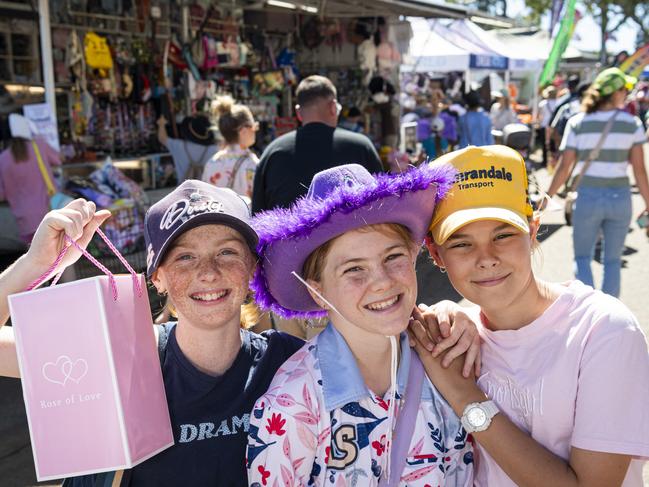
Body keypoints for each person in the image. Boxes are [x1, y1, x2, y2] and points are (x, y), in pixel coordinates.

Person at [0, 182, 476, 486]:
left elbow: (367, 323)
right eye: (184, 257)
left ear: (252, 269)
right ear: (157, 277)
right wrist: (30, 267)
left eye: (228, 252)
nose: (208, 272)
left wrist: (441, 316)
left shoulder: (289, 366)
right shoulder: (118, 360)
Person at [412, 144, 649, 486]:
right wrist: (447, 312)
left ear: (533, 230)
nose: (486, 257)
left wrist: (465, 396)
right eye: (462, 243)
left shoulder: (603, 330)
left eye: (503, 235)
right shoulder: (452, 336)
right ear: (436, 254)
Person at [247, 163, 474, 486]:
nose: (382, 282)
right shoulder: (291, 405)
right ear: (318, 290)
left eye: (393, 257)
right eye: (354, 269)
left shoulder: (447, 358)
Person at [546, 68, 649, 297]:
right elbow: (640, 171)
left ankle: (587, 310)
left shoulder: (577, 123)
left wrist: (547, 197)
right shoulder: (632, 124)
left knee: (582, 257)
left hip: (588, 197)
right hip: (620, 197)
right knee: (612, 260)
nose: (628, 94)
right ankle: (610, 316)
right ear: (616, 93)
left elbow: (565, 167)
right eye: (626, 89)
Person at [251, 75, 383, 214]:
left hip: (288, 236)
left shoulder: (272, 152)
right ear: (333, 107)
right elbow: (382, 203)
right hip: (350, 235)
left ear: (298, 112)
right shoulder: (361, 147)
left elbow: (258, 217)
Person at [0, 113, 61, 244]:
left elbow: (2, 195)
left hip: (24, 221)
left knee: (38, 258)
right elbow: (58, 159)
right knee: (59, 256)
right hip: (48, 212)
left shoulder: (2, 159)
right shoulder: (39, 146)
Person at [201, 95, 259, 199]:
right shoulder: (251, 163)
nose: (255, 130)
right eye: (254, 126)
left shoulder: (212, 162)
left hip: (218, 215)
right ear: (243, 131)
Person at [157, 113, 219, 182]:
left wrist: (161, 124)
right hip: (206, 190)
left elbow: (162, 138)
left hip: (184, 190)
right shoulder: (214, 149)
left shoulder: (179, 146)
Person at [538, 85, 558, 167]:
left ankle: (544, 161)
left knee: (544, 145)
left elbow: (540, 116)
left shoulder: (543, 104)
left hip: (544, 126)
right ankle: (553, 162)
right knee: (553, 145)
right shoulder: (559, 103)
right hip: (554, 127)